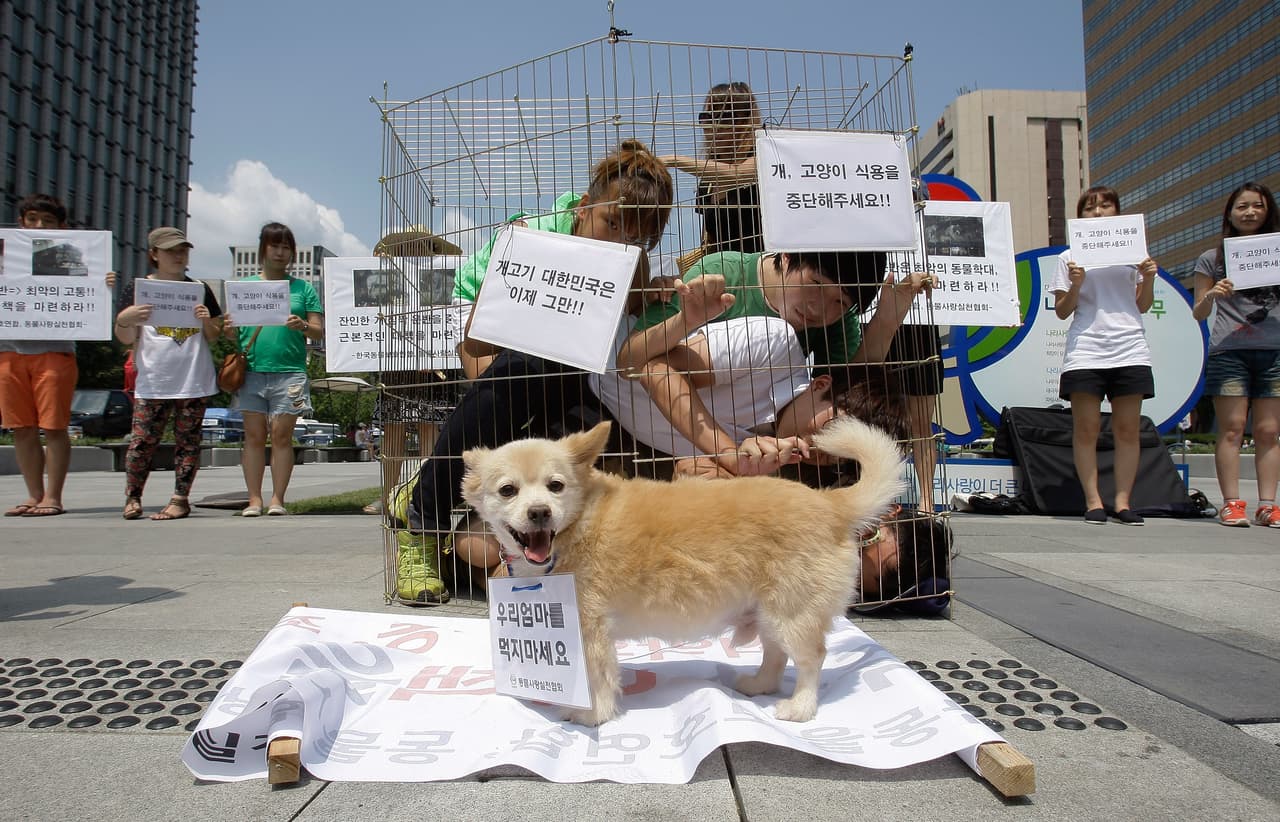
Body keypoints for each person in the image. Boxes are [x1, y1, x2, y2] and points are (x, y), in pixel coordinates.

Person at [398, 140, 675, 606]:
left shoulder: (633, 264)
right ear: (585, 208)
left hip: (572, 359)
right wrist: (487, 384)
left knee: (579, 421)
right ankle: (421, 523)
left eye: (637, 237)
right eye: (612, 224)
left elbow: (626, 331)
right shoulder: (533, 235)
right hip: (487, 333)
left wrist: (653, 295)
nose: (621, 243)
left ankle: (532, 550)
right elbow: (477, 340)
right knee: (503, 390)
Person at [1049, 185, 1158, 525]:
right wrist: (1077, 284)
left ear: (1117, 211)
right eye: (1090, 207)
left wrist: (1150, 278)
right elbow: (1062, 312)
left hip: (1130, 346)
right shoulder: (1068, 257)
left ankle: (1123, 502)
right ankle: (1093, 501)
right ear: (1080, 215)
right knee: (1087, 429)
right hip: (1087, 350)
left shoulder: (1133, 253)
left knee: (1128, 429)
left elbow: (1141, 305)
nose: (1098, 213)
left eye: (1106, 206)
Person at [1, 194, 114, 518]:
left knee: (53, 426)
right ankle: (33, 495)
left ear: (61, 227)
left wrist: (102, 284)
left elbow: (91, 298)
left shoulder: (73, 256)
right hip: (8, 349)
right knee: (20, 427)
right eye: (33, 219)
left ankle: (53, 495)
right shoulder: (6, 253)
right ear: (22, 223)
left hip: (55, 351)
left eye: (48, 221)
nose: (39, 226)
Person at [113, 227, 222, 521]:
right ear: (154, 254)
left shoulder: (199, 288)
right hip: (153, 379)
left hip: (193, 378)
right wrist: (125, 319)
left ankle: (180, 498)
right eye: (171, 250)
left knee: (188, 441)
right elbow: (124, 337)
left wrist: (206, 320)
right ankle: (133, 497)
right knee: (142, 441)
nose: (178, 255)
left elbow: (215, 335)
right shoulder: (137, 290)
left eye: (182, 250)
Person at [1191, 182, 1280, 527]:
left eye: (1256, 206)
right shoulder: (1212, 259)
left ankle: (1269, 504)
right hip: (1230, 351)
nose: (1249, 212)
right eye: (1241, 207)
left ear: (1268, 210)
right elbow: (1198, 312)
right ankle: (1232, 503)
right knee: (1232, 429)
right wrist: (1212, 293)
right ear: (1229, 213)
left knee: (1269, 431)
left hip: (1274, 350)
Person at [223, 222, 324, 517]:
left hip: (290, 371)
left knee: (281, 436)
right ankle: (254, 499)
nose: (280, 253)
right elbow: (232, 335)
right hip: (252, 370)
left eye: (286, 247)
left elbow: (319, 331)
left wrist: (303, 325)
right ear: (262, 250)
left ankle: (277, 498)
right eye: (275, 246)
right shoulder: (244, 288)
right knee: (253, 436)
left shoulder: (303, 288)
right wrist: (227, 328)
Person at [661, 81, 764, 257]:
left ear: (746, 121)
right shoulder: (707, 181)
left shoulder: (761, 156)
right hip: (727, 276)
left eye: (724, 117)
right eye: (707, 118)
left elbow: (736, 175)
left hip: (764, 271)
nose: (713, 126)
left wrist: (673, 160)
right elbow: (708, 241)